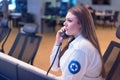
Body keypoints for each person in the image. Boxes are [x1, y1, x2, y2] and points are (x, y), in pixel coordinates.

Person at [50, 5, 105, 80]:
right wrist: (58, 43)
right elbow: (54, 67)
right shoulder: (75, 41)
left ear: (81, 24)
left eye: (69, 21)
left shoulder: (80, 48)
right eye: (65, 20)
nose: (64, 24)